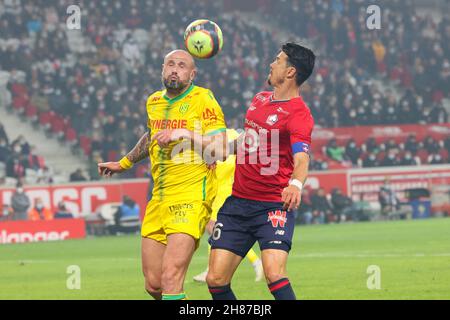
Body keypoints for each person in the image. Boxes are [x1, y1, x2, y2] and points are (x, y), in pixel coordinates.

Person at [98, 49, 227, 300]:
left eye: (181, 65)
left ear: (192, 74)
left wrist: (186, 134)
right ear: (162, 69)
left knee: (171, 279)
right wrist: (124, 163)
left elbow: (221, 150)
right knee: (154, 285)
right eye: (170, 64)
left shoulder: (204, 99)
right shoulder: (154, 102)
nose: (174, 69)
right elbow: (151, 138)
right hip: (159, 199)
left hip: (190, 197)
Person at [206, 43, 315, 300]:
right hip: (237, 205)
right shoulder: (259, 100)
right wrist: (219, 151)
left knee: (274, 274)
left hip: (273, 206)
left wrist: (295, 185)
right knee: (216, 279)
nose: (271, 64)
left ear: (290, 72)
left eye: (277, 60)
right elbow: (249, 142)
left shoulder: (300, 114)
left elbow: (302, 158)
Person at [192, 129, 264, 283]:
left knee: (215, 229)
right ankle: (211, 268)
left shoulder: (211, 137)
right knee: (215, 230)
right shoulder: (234, 134)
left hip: (222, 190)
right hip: (226, 188)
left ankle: (255, 262)